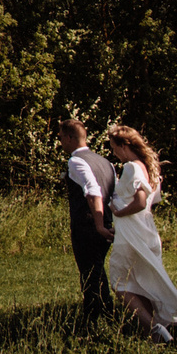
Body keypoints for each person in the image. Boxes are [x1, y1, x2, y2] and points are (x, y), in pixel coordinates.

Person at [102, 123, 177, 342]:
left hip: (131, 236)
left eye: (114, 147)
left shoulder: (131, 167)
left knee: (119, 283)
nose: (114, 152)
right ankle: (150, 333)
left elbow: (140, 202)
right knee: (140, 283)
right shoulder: (148, 168)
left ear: (124, 146)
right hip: (145, 231)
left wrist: (118, 211)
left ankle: (155, 329)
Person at [52, 115, 114, 322]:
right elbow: (115, 194)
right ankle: (106, 315)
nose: (60, 142)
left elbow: (93, 191)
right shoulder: (106, 162)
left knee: (90, 275)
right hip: (106, 224)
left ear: (70, 138)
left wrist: (98, 225)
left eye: (61, 138)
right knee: (97, 271)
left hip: (88, 227)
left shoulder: (76, 161)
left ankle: (95, 321)